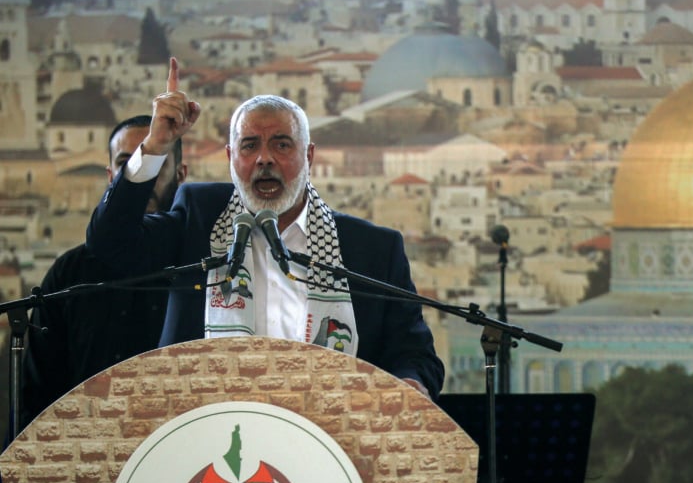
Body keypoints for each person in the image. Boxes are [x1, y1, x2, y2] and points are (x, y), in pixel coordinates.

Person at [86, 58, 443, 399]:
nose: (265, 159)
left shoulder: (373, 250)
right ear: (230, 159)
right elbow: (110, 243)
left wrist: (409, 383)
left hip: (332, 445)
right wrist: (157, 145)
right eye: (250, 145)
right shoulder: (198, 218)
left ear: (309, 157)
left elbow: (414, 354)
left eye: (281, 144)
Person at [21, 114, 188, 426]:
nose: (144, 178)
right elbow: (39, 394)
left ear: (181, 174)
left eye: (155, 163)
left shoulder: (199, 264)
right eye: (132, 164)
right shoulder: (69, 274)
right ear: (112, 175)